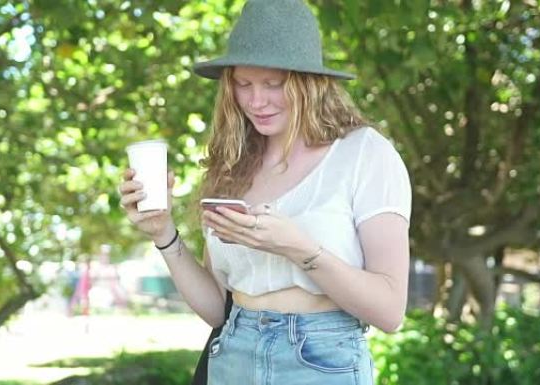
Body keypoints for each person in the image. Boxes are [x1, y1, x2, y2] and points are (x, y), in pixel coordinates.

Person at [118, 0, 412, 384]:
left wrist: (297, 247)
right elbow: (218, 310)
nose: (256, 101)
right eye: (243, 84)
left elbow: (390, 311)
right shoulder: (232, 165)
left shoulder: (364, 154)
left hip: (321, 361)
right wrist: (163, 234)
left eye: (273, 84)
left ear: (309, 82)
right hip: (233, 357)